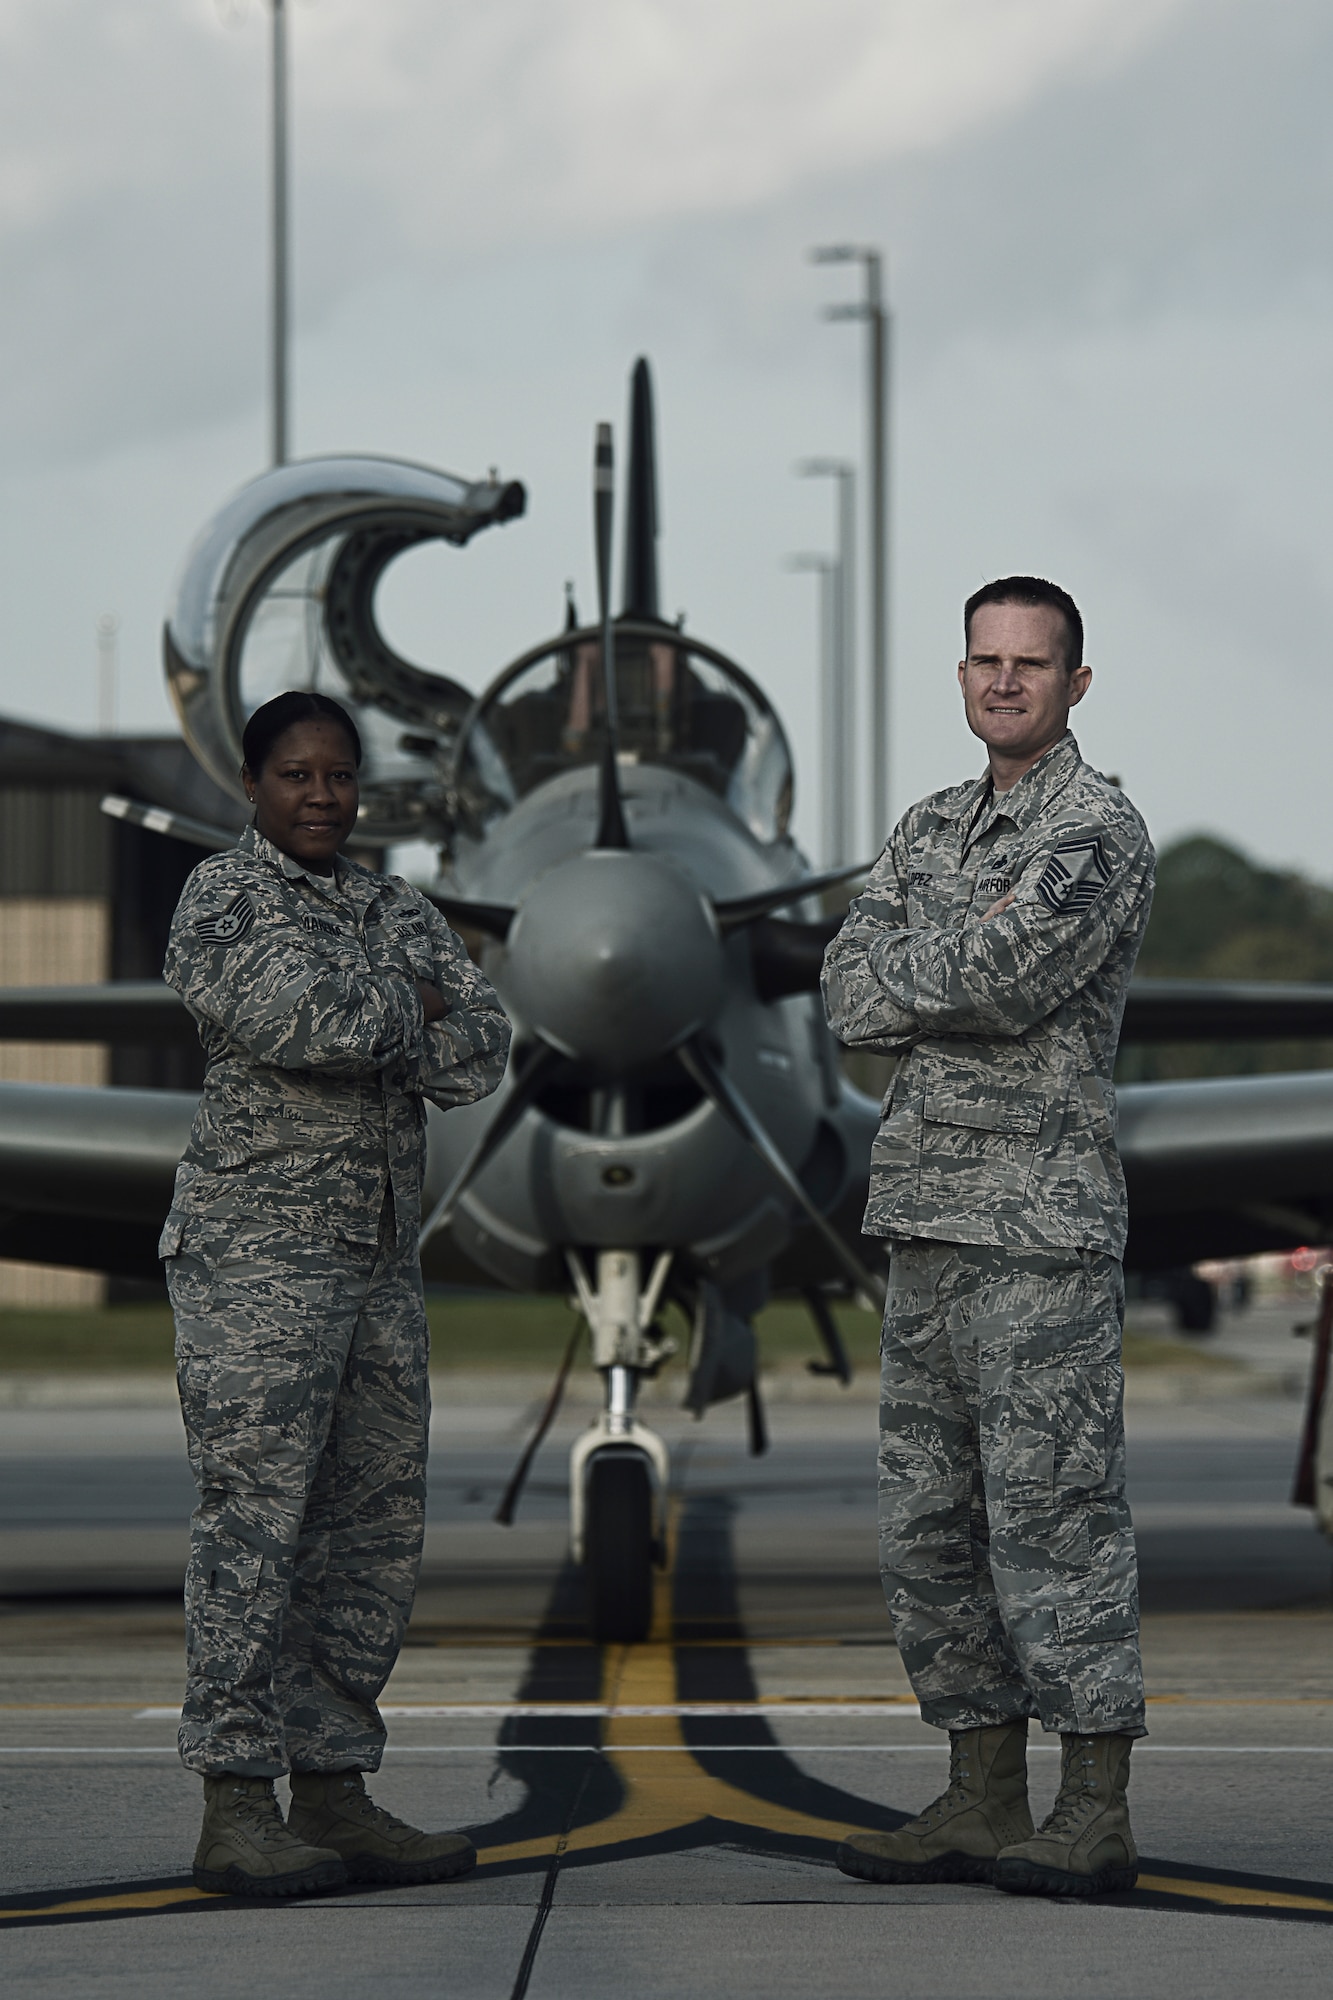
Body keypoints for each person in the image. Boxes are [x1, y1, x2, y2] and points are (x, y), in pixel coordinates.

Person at [821, 577, 1154, 1899]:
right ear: (959, 677)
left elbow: (1009, 980)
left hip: (1038, 1231)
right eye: (983, 660)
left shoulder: (1098, 830)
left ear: (1075, 684)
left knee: (1053, 1516)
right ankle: (978, 1792)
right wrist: (937, 967)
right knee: (931, 1526)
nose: (1004, 681)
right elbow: (844, 990)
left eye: (1031, 662)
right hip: (927, 1224)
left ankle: (1091, 1804)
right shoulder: (927, 827)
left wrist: (924, 969)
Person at [160, 690, 511, 1897]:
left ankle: (335, 1787)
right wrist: (405, 1004)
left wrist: (401, 1012)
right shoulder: (223, 898)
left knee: (370, 1537)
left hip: (375, 1268)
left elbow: (485, 1042)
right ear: (252, 786)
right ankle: (236, 1801)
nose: (320, 795)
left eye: (338, 776)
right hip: (258, 1263)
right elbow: (297, 1019)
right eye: (296, 775)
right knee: (256, 1530)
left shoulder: (393, 905)